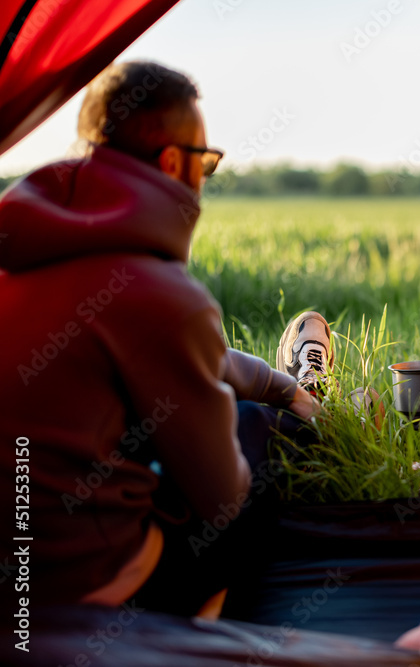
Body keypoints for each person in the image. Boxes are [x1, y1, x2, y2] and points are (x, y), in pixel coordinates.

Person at [0, 61, 335, 615]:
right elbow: (221, 499)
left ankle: (303, 385)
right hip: (86, 588)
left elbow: (168, 352)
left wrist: (279, 385)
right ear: (176, 162)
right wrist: (263, 411)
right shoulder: (160, 295)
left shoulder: (22, 255)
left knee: (249, 409)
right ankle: (199, 631)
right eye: (207, 162)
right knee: (264, 437)